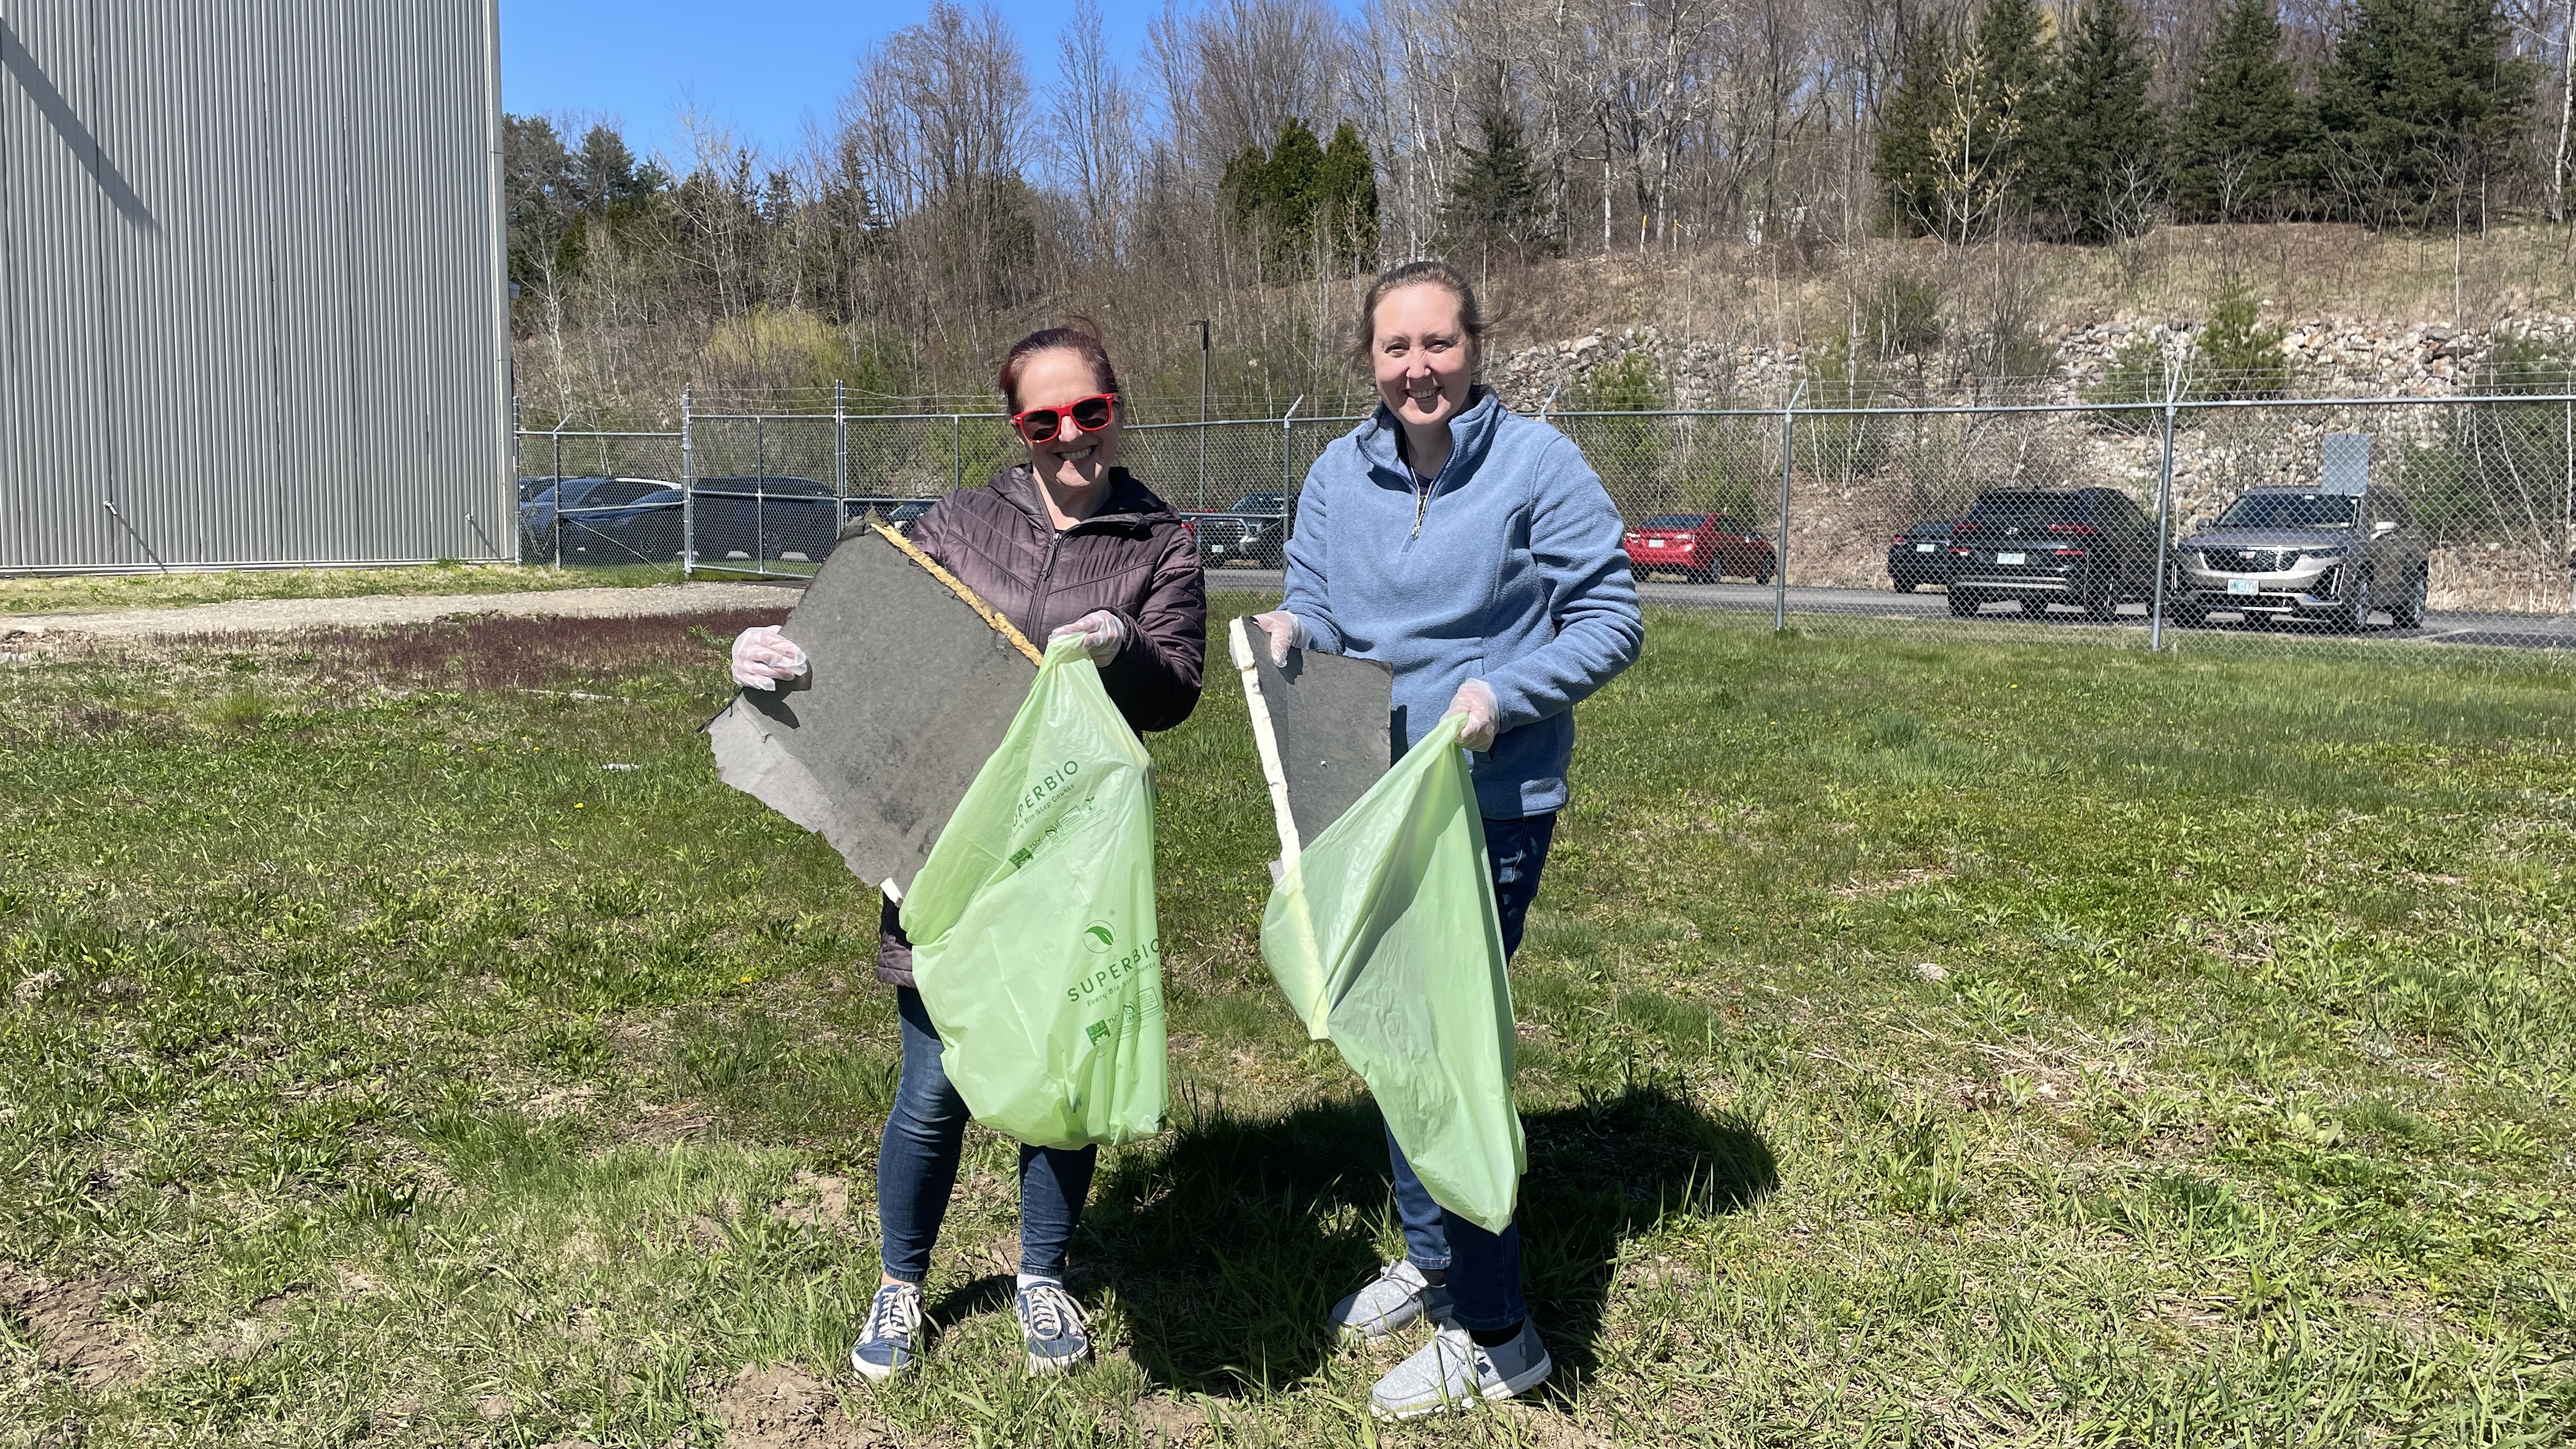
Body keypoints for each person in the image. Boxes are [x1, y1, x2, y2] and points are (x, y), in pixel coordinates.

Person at [730, 320, 1206, 1382]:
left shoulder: (1160, 540)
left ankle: (1044, 1277)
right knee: (934, 1083)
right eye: (1045, 420)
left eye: (1091, 411)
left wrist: (1123, 646)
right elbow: (873, 646)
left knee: (1059, 1081)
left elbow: (1177, 690)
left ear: (1118, 406)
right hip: (946, 844)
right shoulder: (957, 523)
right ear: (1018, 427)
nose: (1071, 436)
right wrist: (767, 659)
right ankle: (903, 1282)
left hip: (1072, 854)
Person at [1249, 259, 1641, 1419]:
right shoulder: (1336, 472)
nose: (1417, 368)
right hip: (1367, 804)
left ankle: (1500, 1334)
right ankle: (1431, 1263)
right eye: (1394, 348)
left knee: (1450, 1058)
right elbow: (1316, 603)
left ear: (1476, 345)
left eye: (1438, 344)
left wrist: (1501, 696)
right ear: (1369, 361)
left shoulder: (1537, 465)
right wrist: (1285, 626)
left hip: (1488, 804)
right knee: (1388, 1040)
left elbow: (1611, 620)